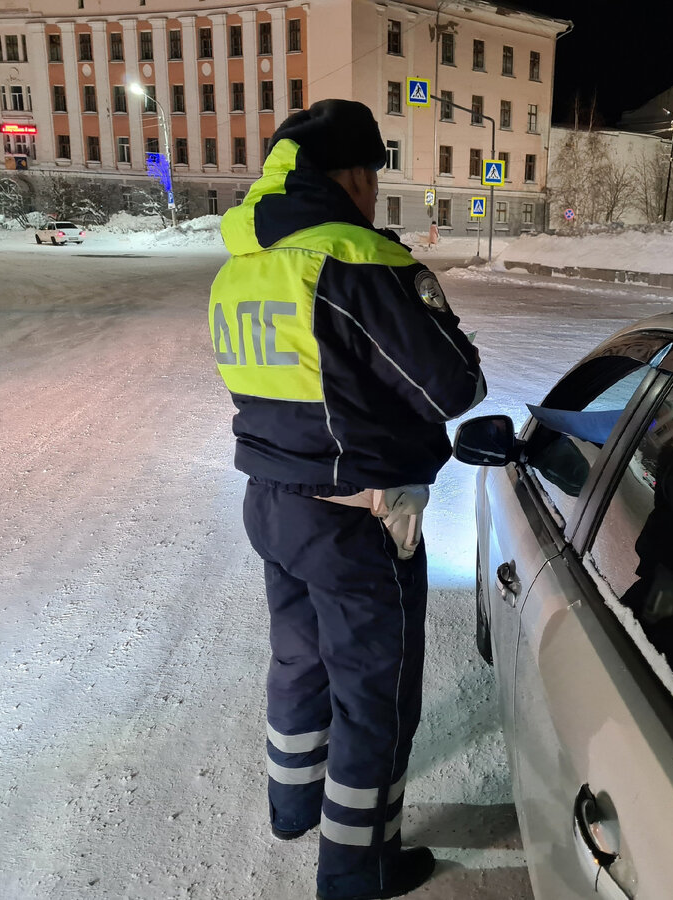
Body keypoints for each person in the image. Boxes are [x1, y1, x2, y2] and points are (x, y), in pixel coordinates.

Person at [208, 99, 486, 900]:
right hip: (357, 517)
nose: (374, 191)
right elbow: (453, 384)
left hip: (273, 502)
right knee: (375, 697)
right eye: (373, 175)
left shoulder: (243, 266)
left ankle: (292, 806)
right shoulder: (355, 260)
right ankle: (357, 873)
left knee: (298, 661)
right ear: (354, 176)